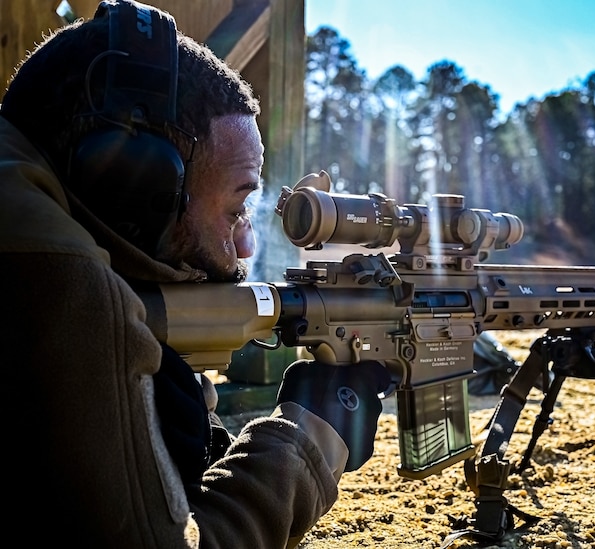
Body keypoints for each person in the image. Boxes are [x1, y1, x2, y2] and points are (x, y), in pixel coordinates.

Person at [0, 1, 388, 547]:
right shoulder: (53, 271)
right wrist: (312, 431)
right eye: (234, 211)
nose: (247, 245)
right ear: (134, 188)